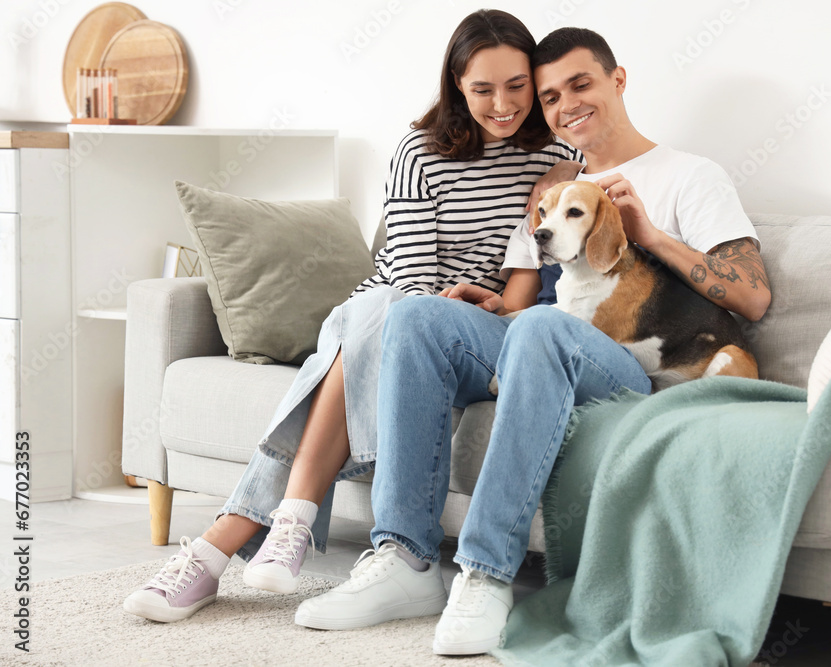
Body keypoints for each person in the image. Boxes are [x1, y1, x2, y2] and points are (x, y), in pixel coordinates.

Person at [290, 27, 772, 656]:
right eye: (549, 97)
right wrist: (487, 306)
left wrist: (649, 234)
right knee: (413, 318)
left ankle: (486, 572)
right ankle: (404, 559)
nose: (566, 104)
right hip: (543, 340)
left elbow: (754, 297)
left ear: (617, 80)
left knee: (547, 326)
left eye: (581, 84)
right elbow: (521, 306)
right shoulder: (549, 187)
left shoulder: (689, 175)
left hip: (626, 366)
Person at [123, 9, 583, 624]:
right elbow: (412, 284)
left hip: (473, 330)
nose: (503, 104)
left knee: (364, 336)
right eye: (482, 89)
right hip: (392, 309)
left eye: (517, 86)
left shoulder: (559, 153)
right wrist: (435, 306)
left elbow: (565, 232)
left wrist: (567, 170)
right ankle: (269, 530)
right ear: (455, 85)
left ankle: (238, 539)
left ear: (534, 79)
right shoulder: (420, 151)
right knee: (384, 312)